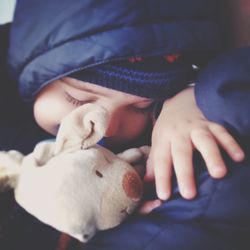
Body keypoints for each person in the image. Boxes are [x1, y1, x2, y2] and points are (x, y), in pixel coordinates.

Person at [0, 0, 250, 249]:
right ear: (32, 75)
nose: (106, 128)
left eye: (139, 107)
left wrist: (191, 97)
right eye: (78, 99)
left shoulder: (157, 134)